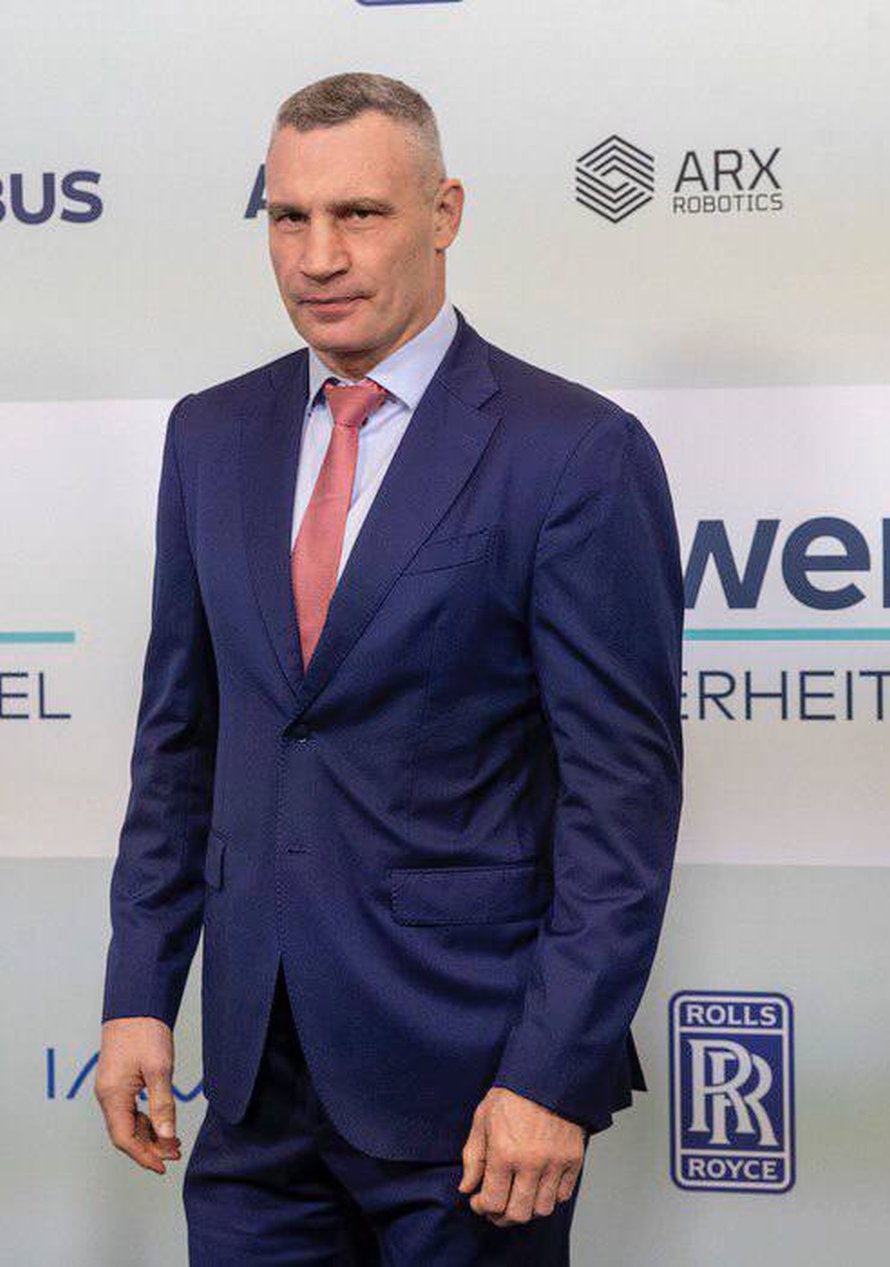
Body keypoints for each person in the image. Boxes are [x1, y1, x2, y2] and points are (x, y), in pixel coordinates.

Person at [96, 71, 684, 1265]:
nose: (317, 256)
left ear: (442, 213)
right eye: (287, 217)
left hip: (472, 1090)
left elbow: (619, 804)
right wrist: (138, 990)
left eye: (357, 214)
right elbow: (180, 744)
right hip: (253, 1089)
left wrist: (549, 1072)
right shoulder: (208, 434)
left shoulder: (572, 452)